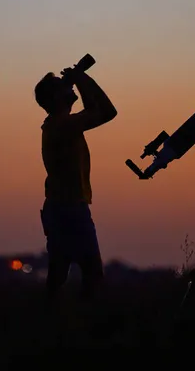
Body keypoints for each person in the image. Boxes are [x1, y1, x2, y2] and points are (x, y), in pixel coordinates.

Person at [34, 64, 117, 302]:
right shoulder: (62, 126)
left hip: (62, 208)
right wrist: (82, 78)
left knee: (59, 276)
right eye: (63, 87)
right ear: (55, 98)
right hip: (68, 209)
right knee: (91, 274)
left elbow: (103, 110)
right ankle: (83, 324)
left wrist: (81, 79)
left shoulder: (62, 125)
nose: (69, 87)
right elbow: (105, 111)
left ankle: (55, 325)